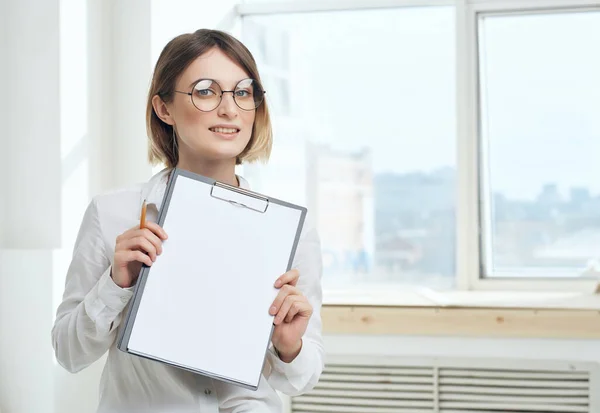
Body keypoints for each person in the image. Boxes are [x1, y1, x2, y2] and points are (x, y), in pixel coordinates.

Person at [51, 28, 324, 413]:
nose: (229, 109)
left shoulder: (290, 230)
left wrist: (289, 344)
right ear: (164, 108)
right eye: (206, 91)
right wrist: (115, 285)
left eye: (243, 92)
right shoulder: (113, 213)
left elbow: (302, 377)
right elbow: (69, 353)